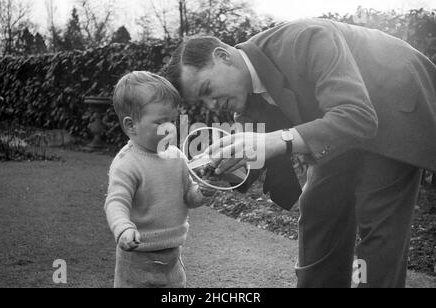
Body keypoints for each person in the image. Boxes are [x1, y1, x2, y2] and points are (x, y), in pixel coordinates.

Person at [163, 18, 436, 288]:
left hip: (395, 104)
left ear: (223, 56)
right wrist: (217, 174)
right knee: (317, 205)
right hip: (341, 122)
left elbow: (358, 117)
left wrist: (275, 139)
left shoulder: (307, 38)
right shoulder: (246, 99)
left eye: (207, 90)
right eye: (202, 101)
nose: (211, 104)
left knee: (376, 223)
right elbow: (254, 156)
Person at [104, 71, 212, 288]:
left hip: (172, 254)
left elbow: (188, 196)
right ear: (131, 125)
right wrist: (123, 228)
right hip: (136, 255)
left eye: (172, 121)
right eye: (160, 122)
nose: (170, 128)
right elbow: (116, 202)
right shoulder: (127, 163)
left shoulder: (176, 156)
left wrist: (204, 191)